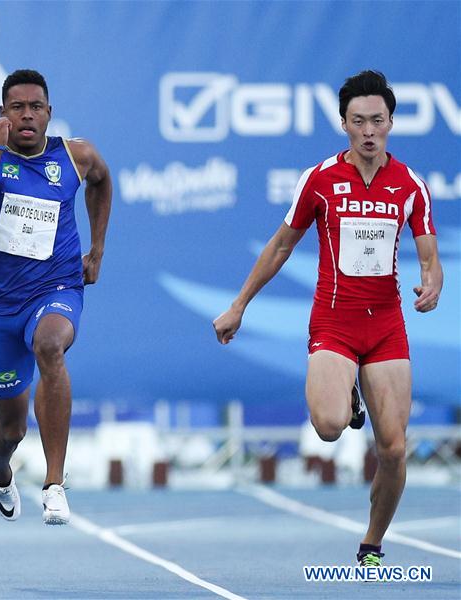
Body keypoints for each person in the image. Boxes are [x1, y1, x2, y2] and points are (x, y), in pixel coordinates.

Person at [213, 71, 441, 565]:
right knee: (330, 426)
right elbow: (279, 247)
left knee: (395, 449)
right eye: (358, 121)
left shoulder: (410, 186)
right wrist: (239, 305)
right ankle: (347, 391)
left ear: (390, 123)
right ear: (344, 124)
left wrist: (433, 282)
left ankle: (372, 543)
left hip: (385, 326)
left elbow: (429, 255)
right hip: (334, 323)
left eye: (377, 121)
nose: (368, 131)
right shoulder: (320, 180)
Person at [0, 69, 112, 525]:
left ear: (48, 113)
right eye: (16, 107)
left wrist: (96, 249)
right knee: (10, 430)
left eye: (35, 107)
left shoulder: (75, 155)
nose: (26, 115)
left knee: (50, 346)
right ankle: (0, 466)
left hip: (57, 288)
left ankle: (54, 484)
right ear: (3, 113)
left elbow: (101, 182)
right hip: (0, 306)